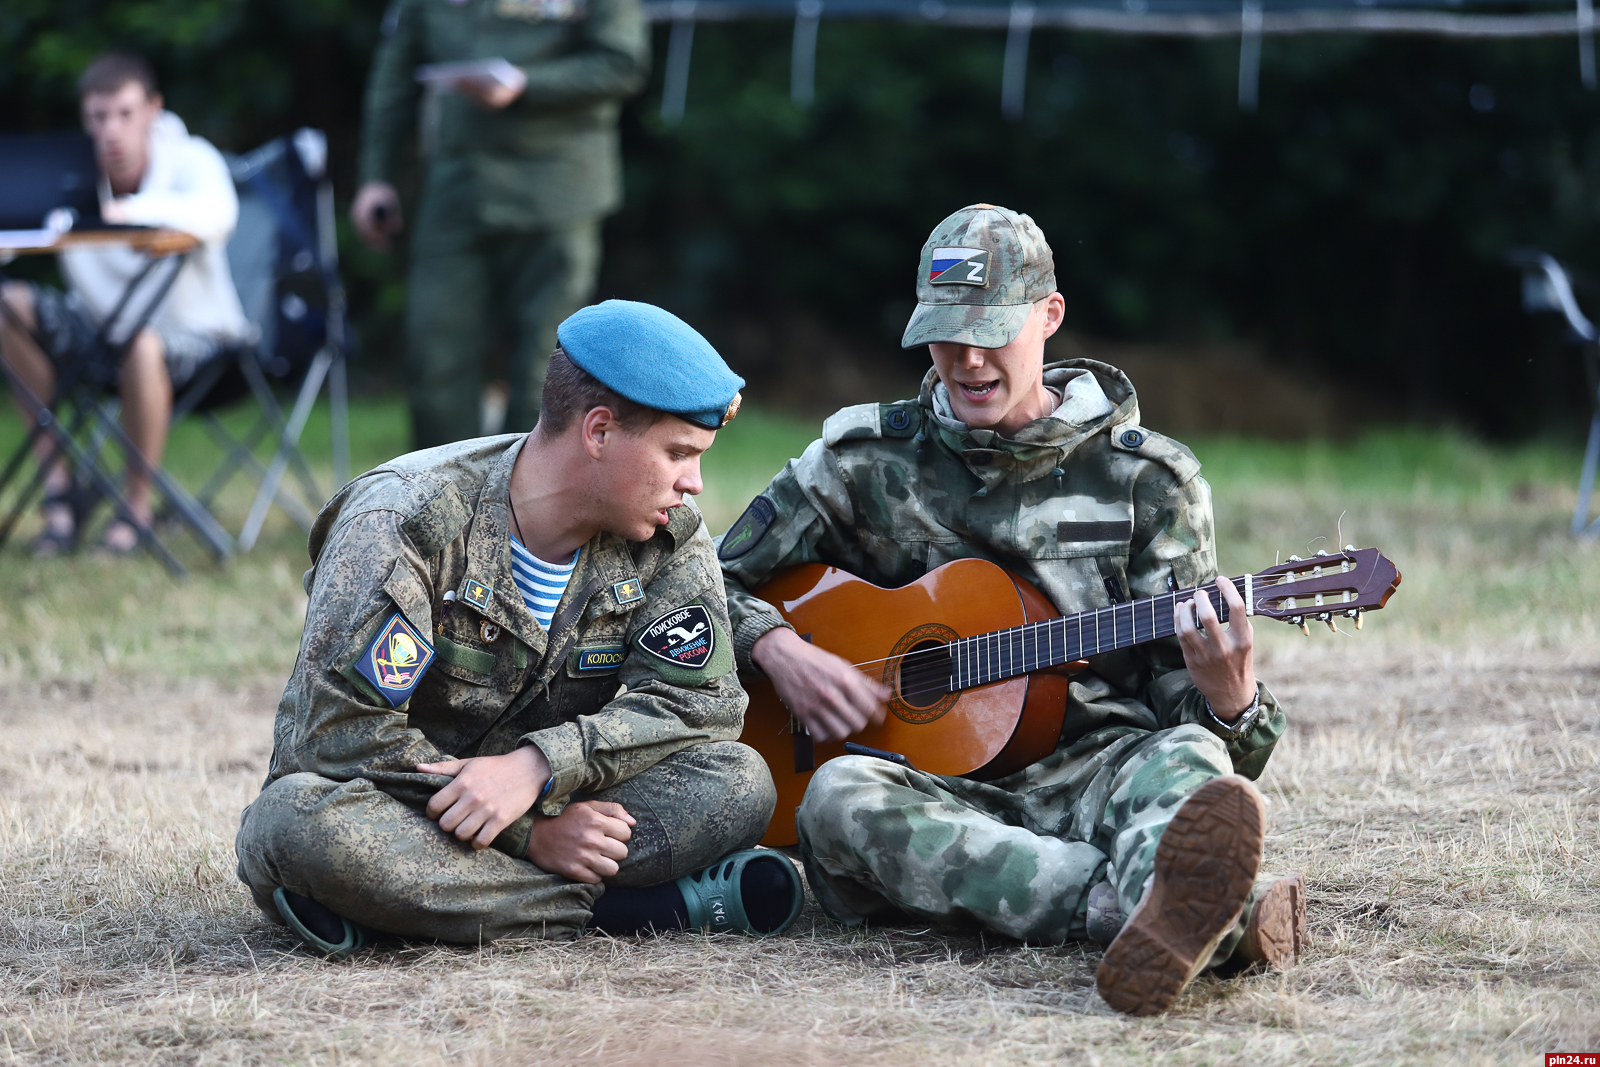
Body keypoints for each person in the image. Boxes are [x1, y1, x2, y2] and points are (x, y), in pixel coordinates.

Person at [718, 204, 1307, 1016]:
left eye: (990, 331)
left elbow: (1189, 714)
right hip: (934, 791)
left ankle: (1158, 903)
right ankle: (1148, 909)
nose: (967, 358)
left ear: (1049, 315)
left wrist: (1232, 702)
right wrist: (780, 648)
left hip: (1102, 767)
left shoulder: (1147, 483)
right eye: (944, 333)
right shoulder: (861, 463)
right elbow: (703, 587)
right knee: (834, 797)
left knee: (1191, 760)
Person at [235, 300, 802, 958]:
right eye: (678, 453)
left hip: (551, 796)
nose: (694, 483)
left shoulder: (666, 536)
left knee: (738, 781)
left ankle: (416, 909)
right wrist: (531, 836)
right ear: (598, 432)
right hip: (398, 802)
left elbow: (702, 706)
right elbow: (339, 734)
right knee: (291, 826)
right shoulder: (404, 520)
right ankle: (625, 912)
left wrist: (539, 768)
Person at [350, 0, 650, 450]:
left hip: (559, 188)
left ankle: (533, 492)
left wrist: (528, 84)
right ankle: (444, 487)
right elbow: (395, 75)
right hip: (458, 190)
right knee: (434, 357)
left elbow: (621, 62)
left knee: (547, 368)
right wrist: (376, 177)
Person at [0, 52, 252, 554]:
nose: (111, 131)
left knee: (142, 343)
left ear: (153, 110)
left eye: (124, 114)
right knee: (7, 306)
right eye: (98, 117)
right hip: (101, 330)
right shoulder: (68, 171)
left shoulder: (191, 158)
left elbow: (219, 214)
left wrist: (127, 212)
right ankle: (59, 490)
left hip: (199, 339)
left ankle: (135, 510)